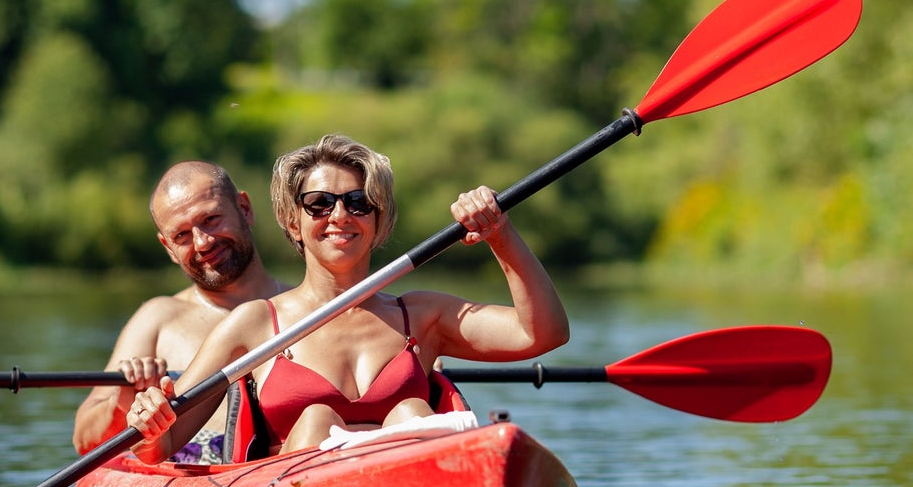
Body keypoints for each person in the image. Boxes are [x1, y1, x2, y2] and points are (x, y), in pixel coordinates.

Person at [125, 133, 569, 462]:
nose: (339, 215)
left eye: (358, 202)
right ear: (293, 221)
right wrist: (148, 417)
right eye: (319, 203)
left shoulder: (422, 316)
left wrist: (499, 233)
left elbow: (544, 333)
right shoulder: (254, 324)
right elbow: (161, 445)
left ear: (378, 220)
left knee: (412, 411)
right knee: (317, 418)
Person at [72, 161, 282, 464]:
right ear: (168, 248)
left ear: (245, 209)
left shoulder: (308, 309)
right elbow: (84, 440)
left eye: (211, 219)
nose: (203, 242)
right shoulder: (158, 318)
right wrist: (122, 406)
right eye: (182, 235)